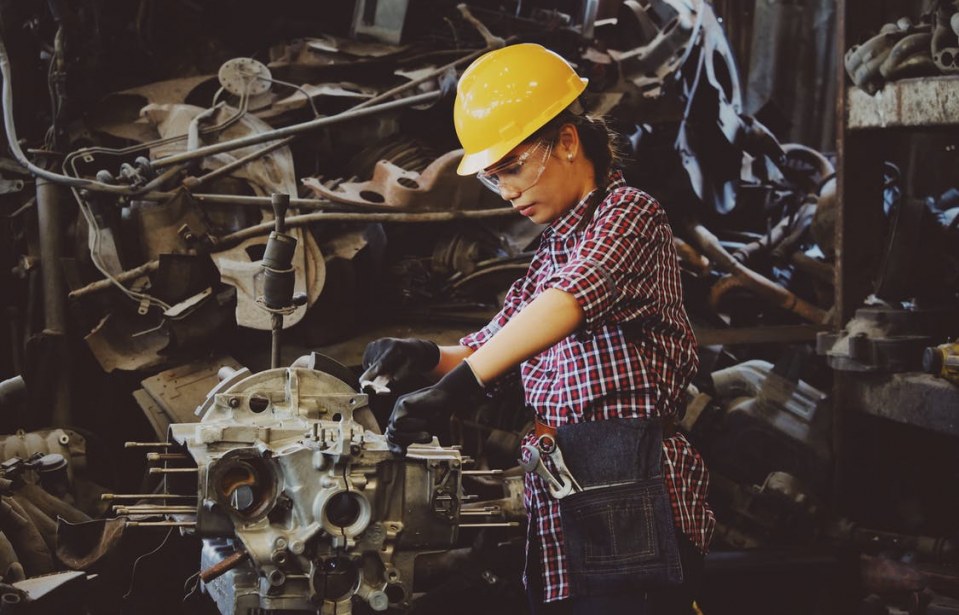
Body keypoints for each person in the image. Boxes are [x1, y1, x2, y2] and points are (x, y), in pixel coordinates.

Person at [360, 43, 715, 614]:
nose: (507, 192)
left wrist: (459, 387)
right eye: (495, 178)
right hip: (564, 483)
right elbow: (493, 344)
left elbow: (569, 302)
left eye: (515, 167)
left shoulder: (630, 214)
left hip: (630, 481)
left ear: (568, 142)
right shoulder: (551, 250)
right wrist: (425, 356)